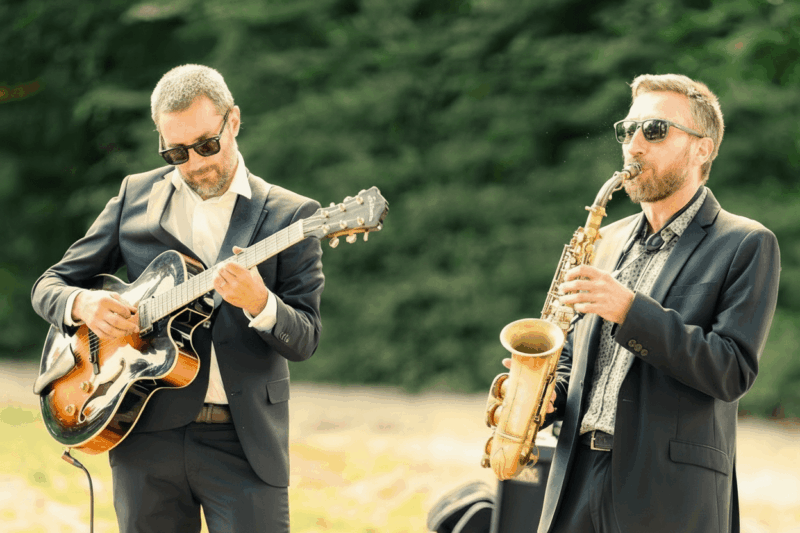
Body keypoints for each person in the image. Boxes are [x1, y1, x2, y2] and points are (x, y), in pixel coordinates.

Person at [31, 64, 325, 532]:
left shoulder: (291, 216)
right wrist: (83, 304)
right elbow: (50, 284)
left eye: (206, 145)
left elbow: (305, 338)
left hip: (244, 442)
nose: (195, 164)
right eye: (176, 152)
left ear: (233, 121)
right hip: (142, 436)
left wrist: (259, 303)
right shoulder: (134, 197)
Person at [534, 74, 781, 532]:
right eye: (628, 130)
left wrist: (630, 311)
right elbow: (572, 357)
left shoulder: (746, 242)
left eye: (654, 130)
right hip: (574, 481)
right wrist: (545, 394)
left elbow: (731, 370)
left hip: (667, 497)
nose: (633, 145)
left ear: (702, 149)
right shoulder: (604, 240)